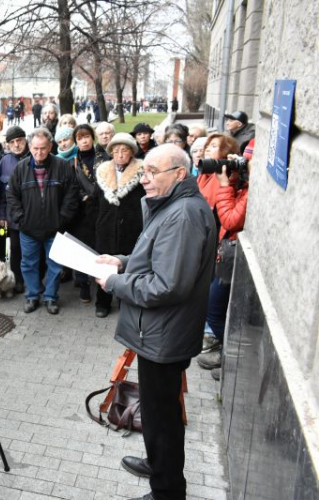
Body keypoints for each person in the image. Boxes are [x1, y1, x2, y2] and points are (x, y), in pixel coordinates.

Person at [95, 144, 216, 500]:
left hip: (164, 334)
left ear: (180, 174)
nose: (143, 178)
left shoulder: (184, 215)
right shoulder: (174, 207)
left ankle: (166, 490)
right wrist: (120, 262)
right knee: (156, 410)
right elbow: (154, 258)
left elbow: (167, 285)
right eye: (143, 171)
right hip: (158, 332)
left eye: (151, 172)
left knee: (162, 416)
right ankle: (158, 462)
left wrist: (115, 283)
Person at [6, 127, 80, 315]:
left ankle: (51, 297)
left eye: (43, 148)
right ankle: (32, 296)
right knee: (28, 263)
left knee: (55, 264)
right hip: (28, 228)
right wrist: (20, 219)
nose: (39, 152)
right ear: (30, 147)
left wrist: (62, 219)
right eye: (35, 148)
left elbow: (72, 194)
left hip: (54, 228)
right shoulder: (20, 168)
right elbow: (12, 196)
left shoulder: (62, 167)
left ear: (50, 147)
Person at [197, 142, 251, 377]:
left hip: (231, 258)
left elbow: (229, 220)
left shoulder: (248, 191)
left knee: (214, 310)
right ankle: (230, 357)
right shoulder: (244, 184)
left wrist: (225, 185)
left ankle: (235, 359)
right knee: (215, 309)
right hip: (226, 254)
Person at [93, 133, 146, 318]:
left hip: (132, 228)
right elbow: (94, 202)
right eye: (116, 151)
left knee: (128, 266)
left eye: (124, 150)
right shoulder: (103, 172)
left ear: (131, 152)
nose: (120, 154)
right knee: (104, 264)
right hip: (105, 227)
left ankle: (126, 301)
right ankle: (103, 302)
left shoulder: (141, 173)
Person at [70, 124, 110, 303]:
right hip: (82, 211)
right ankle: (83, 284)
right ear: (76, 141)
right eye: (80, 138)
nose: (84, 141)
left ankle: (104, 284)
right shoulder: (73, 162)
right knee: (81, 248)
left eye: (86, 137)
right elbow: (70, 186)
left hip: (103, 209)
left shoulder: (104, 158)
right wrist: (83, 197)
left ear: (92, 138)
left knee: (102, 247)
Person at [0, 126, 30, 294]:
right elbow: (2, 193)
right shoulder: (4, 162)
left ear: (26, 140)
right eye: (12, 142)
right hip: (13, 216)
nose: (17, 145)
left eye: (20, 140)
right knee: (15, 249)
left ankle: (36, 279)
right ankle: (18, 280)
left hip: (33, 214)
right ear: (7, 145)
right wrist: (1, 215)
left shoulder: (35, 156)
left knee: (33, 249)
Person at [196, 132, 240, 209]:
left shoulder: (227, 175)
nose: (207, 149)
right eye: (207, 146)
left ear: (225, 151)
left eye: (213, 146)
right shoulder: (203, 172)